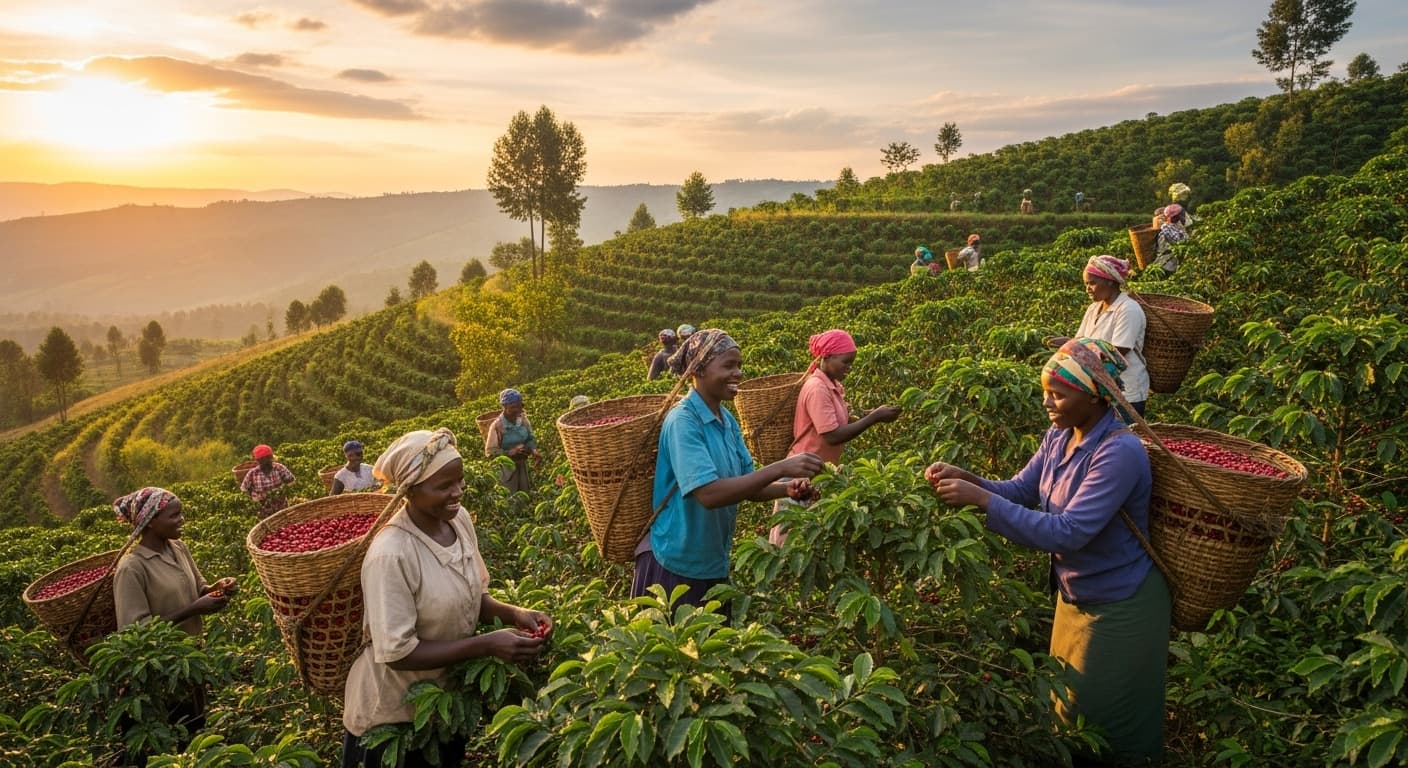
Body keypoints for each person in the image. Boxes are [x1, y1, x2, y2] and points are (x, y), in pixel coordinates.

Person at [924, 338, 1169, 766]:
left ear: (1093, 395)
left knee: (1106, 724)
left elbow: (1069, 532)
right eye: (1045, 391)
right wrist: (969, 479)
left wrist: (981, 501)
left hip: (1120, 601)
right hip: (1075, 595)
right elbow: (1019, 490)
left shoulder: (1119, 452)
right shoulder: (1059, 436)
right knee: (1068, 709)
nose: (1047, 402)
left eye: (1058, 394)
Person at [342, 428, 552, 768]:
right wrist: (486, 644)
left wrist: (515, 613)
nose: (457, 493)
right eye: (443, 486)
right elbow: (397, 652)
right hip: (392, 720)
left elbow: (474, 597)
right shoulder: (391, 554)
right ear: (410, 490)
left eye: (460, 481)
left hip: (443, 706)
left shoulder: (459, 520)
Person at [632, 329, 824, 610]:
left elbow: (747, 485)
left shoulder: (726, 420)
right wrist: (782, 467)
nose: (737, 373)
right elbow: (709, 494)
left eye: (739, 365)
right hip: (673, 564)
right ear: (698, 369)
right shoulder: (683, 422)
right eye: (728, 366)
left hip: (712, 562)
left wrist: (787, 489)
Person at [112, 487, 238, 760]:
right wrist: (193, 609)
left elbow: (200, 589)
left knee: (195, 736)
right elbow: (135, 633)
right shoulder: (131, 568)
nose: (182, 520)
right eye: (174, 515)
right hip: (158, 677)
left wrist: (219, 588)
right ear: (150, 521)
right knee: (165, 747)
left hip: (189, 665)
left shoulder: (178, 548)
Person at [769, 330, 901, 546]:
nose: (849, 368)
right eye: (845, 362)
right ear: (827, 357)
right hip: (799, 477)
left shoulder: (834, 386)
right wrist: (875, 417)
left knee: (811, 543)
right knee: (789, 547)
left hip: (818, 474)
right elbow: (831, 435)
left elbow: (836, 423)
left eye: (852, 363)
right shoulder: (817, 388)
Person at [1046, 255, 1150, 416]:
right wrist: (1068, 344)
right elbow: (1081, 340)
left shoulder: (1128, 309)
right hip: (1099, 389)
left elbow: (1118, 350)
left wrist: (1075, 350)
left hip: (1126, 392)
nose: (1088, 288)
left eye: (1092, 283)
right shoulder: (1094, 308)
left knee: (1123, 437)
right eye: (1086, 284)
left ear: (1110, 281)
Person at [483, 388, 541, 493]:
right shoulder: (497, 426)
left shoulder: (523, 419)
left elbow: (530, 438)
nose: (518, 410)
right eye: (513, 407)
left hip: (522, 465)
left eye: (520, 406)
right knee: (510, 499)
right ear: (504, 407)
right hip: (506, 471)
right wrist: (509, 452)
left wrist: (534, 450)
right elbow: (490, 452)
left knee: (525, 495)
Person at [241, 444, 295, 519]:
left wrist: (279, 491)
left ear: (271, 457)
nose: (266, 461)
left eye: (268, 458)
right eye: (262, 459)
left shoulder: (279, 468)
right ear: (258, 461)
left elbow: (291, 481)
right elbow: (244, 489)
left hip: (281, 507)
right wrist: (255, 498)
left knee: (284, 524)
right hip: (263, 510)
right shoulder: (253, 473)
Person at [1153, 203, 1189, 275]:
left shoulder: (1175, 226)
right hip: (1166, 265)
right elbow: (1179, 242)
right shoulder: (1166, 227)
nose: (1182, 216)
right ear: (1173, 217)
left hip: (1173, 264)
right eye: (1180, 215)